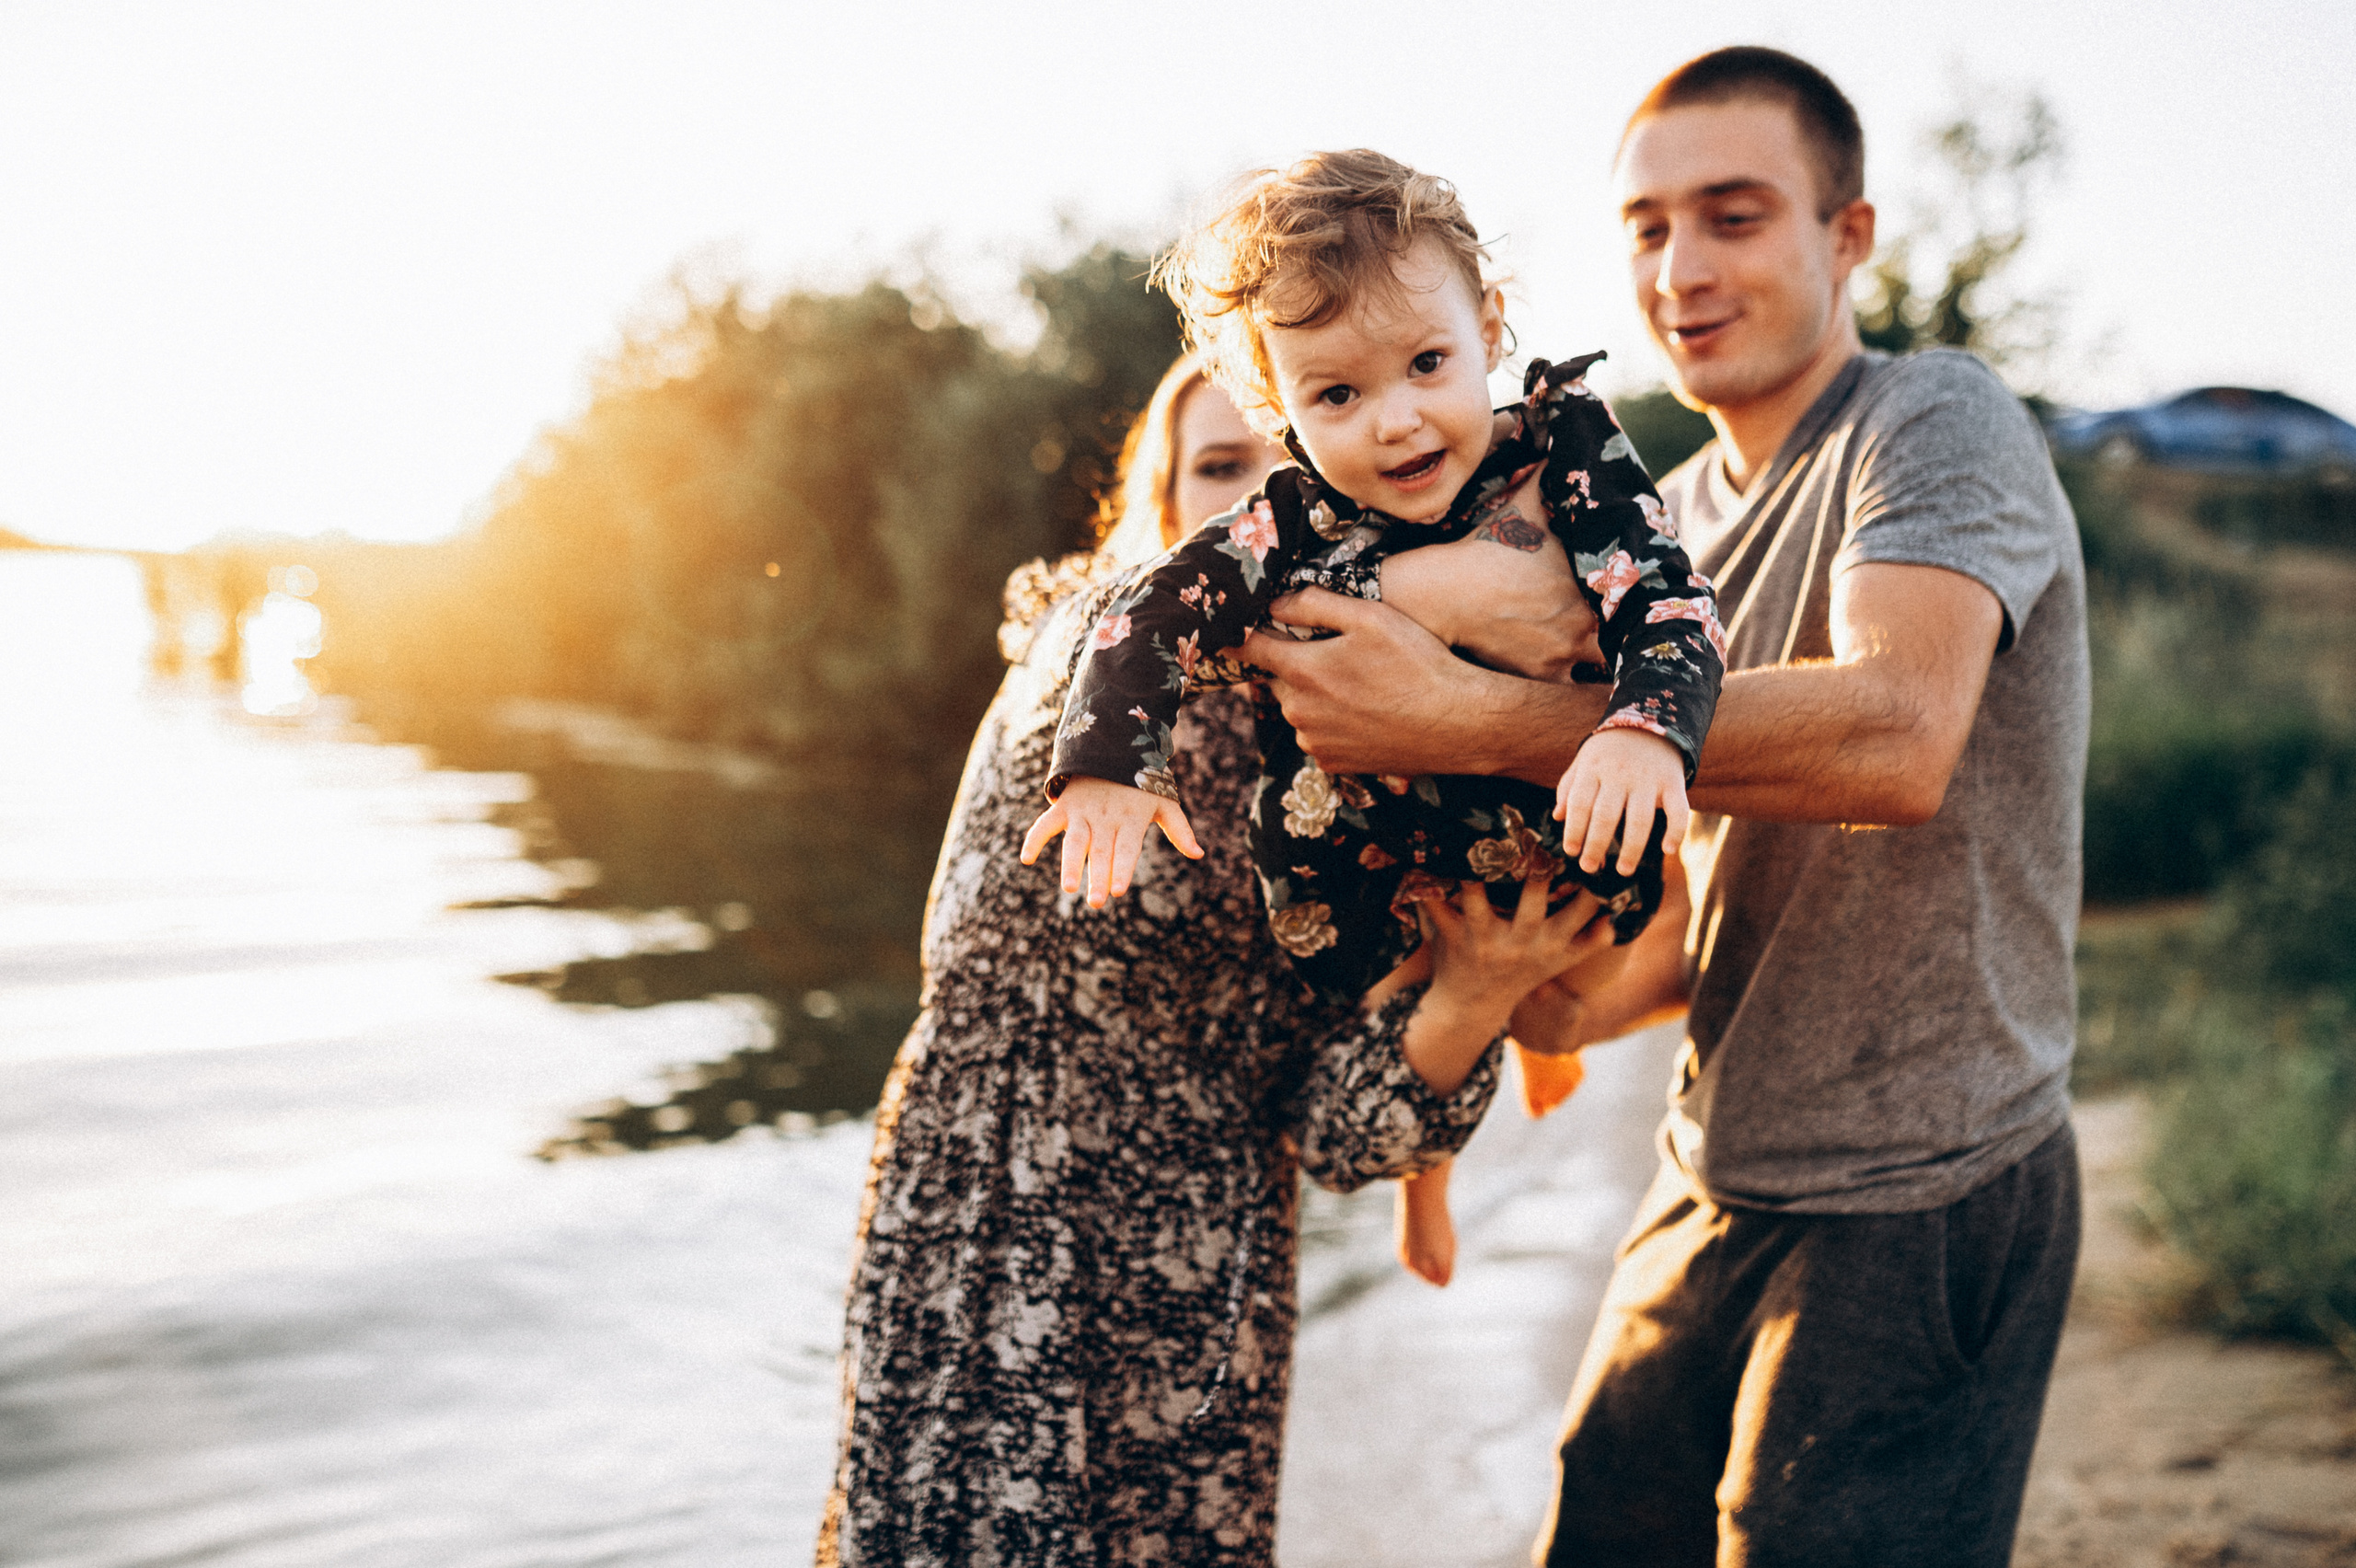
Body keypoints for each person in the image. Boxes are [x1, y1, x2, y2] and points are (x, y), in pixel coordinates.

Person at [1239, 49, 2090, 1568]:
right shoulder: (1666, 518)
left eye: (1733, 215)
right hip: (1714, 1161)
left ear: (1849, 236)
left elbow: (1897, 737)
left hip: (1926, 1178)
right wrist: (1527, 987)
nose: (1679, 268)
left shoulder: (1935, 420)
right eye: (1645, 226)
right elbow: (1690, 910)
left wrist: (1471, 714)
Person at [815, 353, 1613, 1566]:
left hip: (1209, 1290)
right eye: (1221, 471)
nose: (1261, 505)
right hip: (994, 1241)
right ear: (1159, 508)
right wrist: (1453, 590)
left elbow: (1342, 1129)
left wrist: (1476, 989)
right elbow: (1161, 630)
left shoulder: (1385, 765)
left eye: (1289, 469)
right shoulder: (1101, 660)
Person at [1019, 152, 1726, 1285]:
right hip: (1374, 858)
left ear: (1490, 330)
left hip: (1558, 834)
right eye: (1337, 395)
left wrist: (1645, 727)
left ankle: (1538, 1028)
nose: (1395, 423)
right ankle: (1452, 1110)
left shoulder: (1567, 447)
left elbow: (1665, 598)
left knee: (1581, 944)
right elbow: (1150, 605)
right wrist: (1107, 763)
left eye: (1427, 363)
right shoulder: (1289, 515)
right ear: (1278, 406)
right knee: (1319, 888)